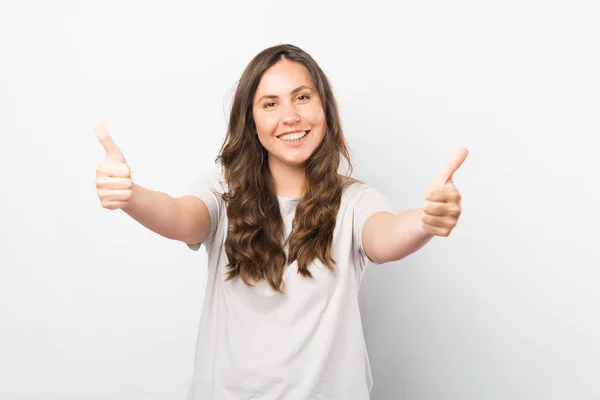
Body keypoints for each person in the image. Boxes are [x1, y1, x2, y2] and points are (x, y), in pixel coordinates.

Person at [94, 44, 468, 400]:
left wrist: (425, 221)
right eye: (270, 103)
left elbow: (385, 237)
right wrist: (132, 196)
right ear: (251, 119)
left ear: (325, 108)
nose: (290, 116)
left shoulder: (355, 201)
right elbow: (181, 217)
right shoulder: (222, 191)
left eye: (302, 97)